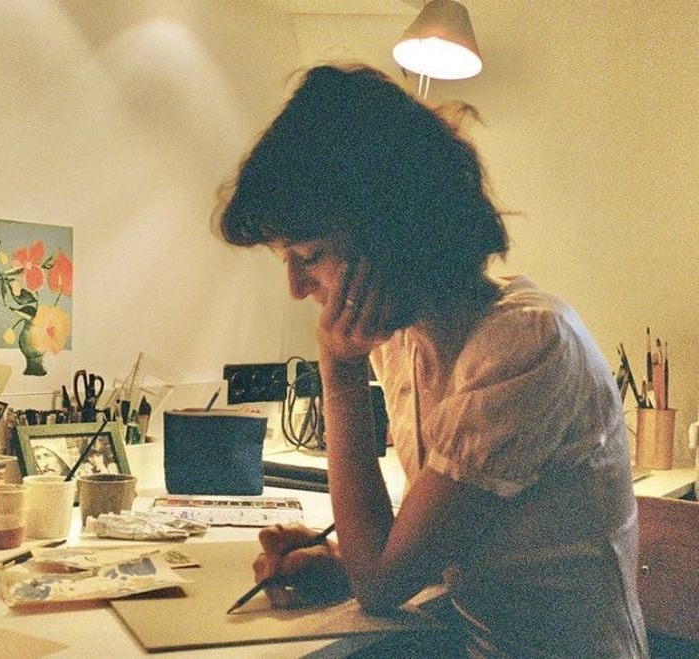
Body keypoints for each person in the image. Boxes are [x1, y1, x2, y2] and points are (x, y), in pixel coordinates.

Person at [215, 63, 648, 657]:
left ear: (391, 233)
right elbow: (411, 561)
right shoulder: (403, 342)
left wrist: (337, 371)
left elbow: (382, 587)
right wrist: (344, 563)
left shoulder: (526, 344)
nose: (295, 285)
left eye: (308, 254)